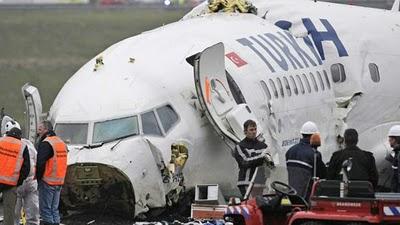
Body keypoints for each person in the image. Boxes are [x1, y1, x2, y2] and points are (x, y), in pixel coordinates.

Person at [4, 121, 40, 225]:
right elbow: (35, 160)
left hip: (15, 182)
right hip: (28, 181)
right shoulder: (28, 144)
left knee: (14, 213)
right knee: (32, 212)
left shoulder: (4, 142)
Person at [36, 121, 68, 225]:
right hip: (59, 181)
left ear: (46, 130)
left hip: (47, 181)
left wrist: (38, 178)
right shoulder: (61, 142)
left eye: (40, 129)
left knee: (45, 210)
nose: (38, 132)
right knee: (54, 210)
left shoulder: (46, 143)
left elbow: (40, 163)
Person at [233, 119, 273, 198]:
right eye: (251, 130)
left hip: (260, 183)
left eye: (255, 129)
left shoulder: (263, 146)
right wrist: (262, 157)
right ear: (245, 132)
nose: (254, 132)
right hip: (246, 183)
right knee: (251, 204)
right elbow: (244, 161)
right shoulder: (240, 146)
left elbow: (270, 163)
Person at [0, 122, 30, 225]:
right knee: (9, 214)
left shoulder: (1, 141)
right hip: (11, 184)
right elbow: (26, 169)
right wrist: (18, 181)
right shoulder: (22, 146)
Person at [286, 121, 324, 198]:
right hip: (307, 198)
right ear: (314, 136)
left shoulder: (289, 151)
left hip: (291, 195)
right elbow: (321, 175)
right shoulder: (314, 154)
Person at [386, 125, 400, 192]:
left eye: (390, 138)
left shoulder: (398, 154)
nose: (389, 140)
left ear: (395, 139)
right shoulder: (396, 153)